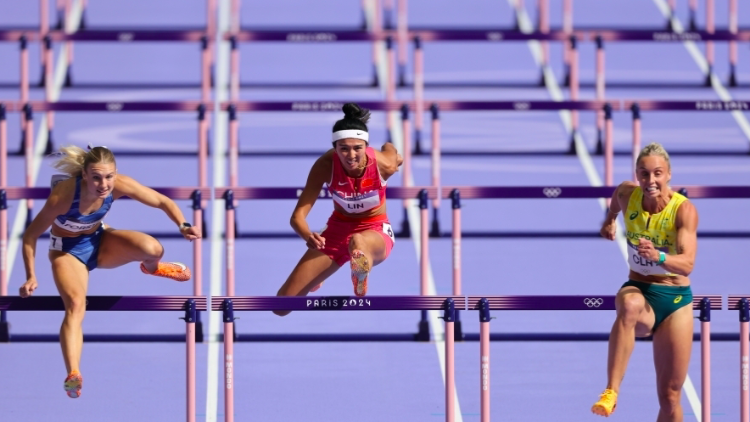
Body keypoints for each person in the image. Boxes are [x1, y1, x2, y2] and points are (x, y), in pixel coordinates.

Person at [18, 145, 200, 399]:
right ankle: (73, 374)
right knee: (76, 304)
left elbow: (162, 201)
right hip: (67, 252)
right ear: (84, 174)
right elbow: (30, 235)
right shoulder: (63, 196)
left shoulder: (120, 184)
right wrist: (31, 275)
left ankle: (153, 268)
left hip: (100, 242)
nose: (104, 184)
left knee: (153, 248)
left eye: (109, 176)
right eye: (96, 177)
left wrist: (183, 225)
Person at [591, 142, 699, 421]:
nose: (650, 181)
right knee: (628, 304)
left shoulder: (683, 211)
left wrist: (659, 255)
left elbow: (687, 264)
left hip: (674, 301)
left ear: (669, 175)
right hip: (639, 288)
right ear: (637, 175)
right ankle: (611, 391)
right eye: (644, 174)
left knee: (670, 397)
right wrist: (609, 220)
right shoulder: (629, 194)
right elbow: (616, 199)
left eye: (657, 174)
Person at [273, 103, 403, 316]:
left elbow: (393, 154)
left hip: (375, 230)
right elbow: (297, 216)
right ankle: (321, 276)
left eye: (357, 148)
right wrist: (308, 236)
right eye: (343, 148)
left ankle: (360, 273)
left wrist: (391, 150)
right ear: (335, 148)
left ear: (366, 146)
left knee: (358, 242)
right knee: (281, 306)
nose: (351, 155)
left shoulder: (383, 165)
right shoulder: (325, 166)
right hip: (336, 231)